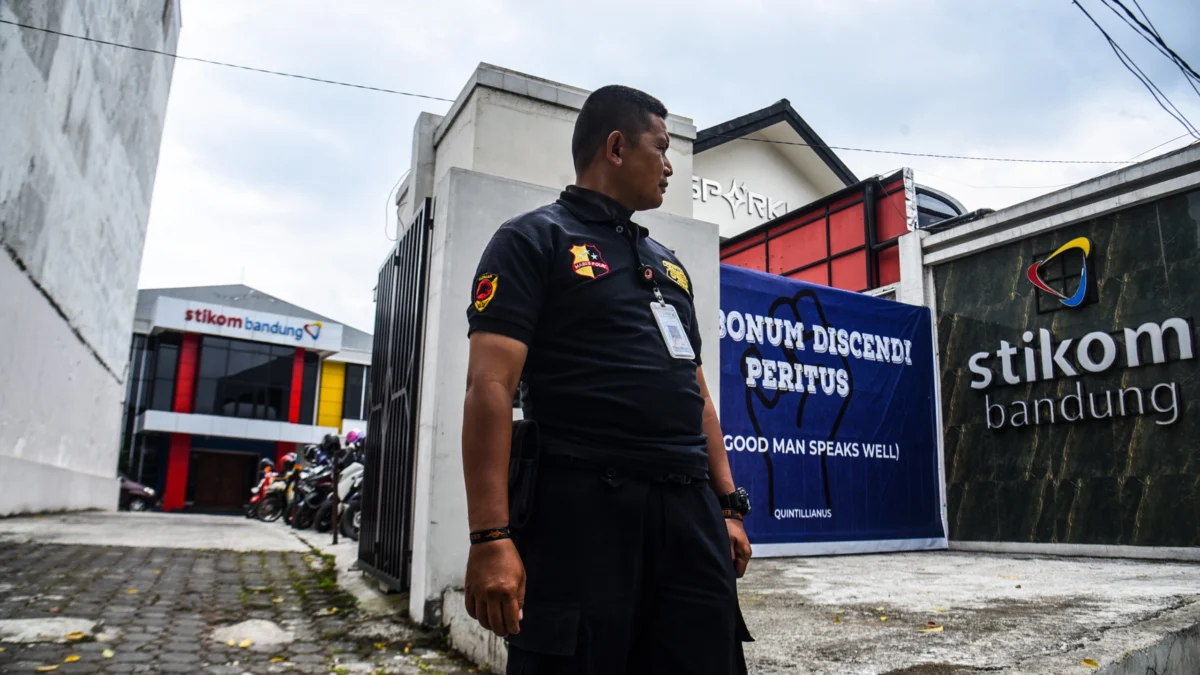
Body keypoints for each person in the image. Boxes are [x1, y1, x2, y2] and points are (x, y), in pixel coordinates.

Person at [461, 84, 753, 674]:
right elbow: (488, 387)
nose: (670, 166)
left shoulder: (668, 264)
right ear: (617, 148)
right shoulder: (533, 240)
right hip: (582, 513)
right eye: (661, 148)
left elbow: (695, 395)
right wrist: (490, 537)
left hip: (688, 515)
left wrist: (728, 506)